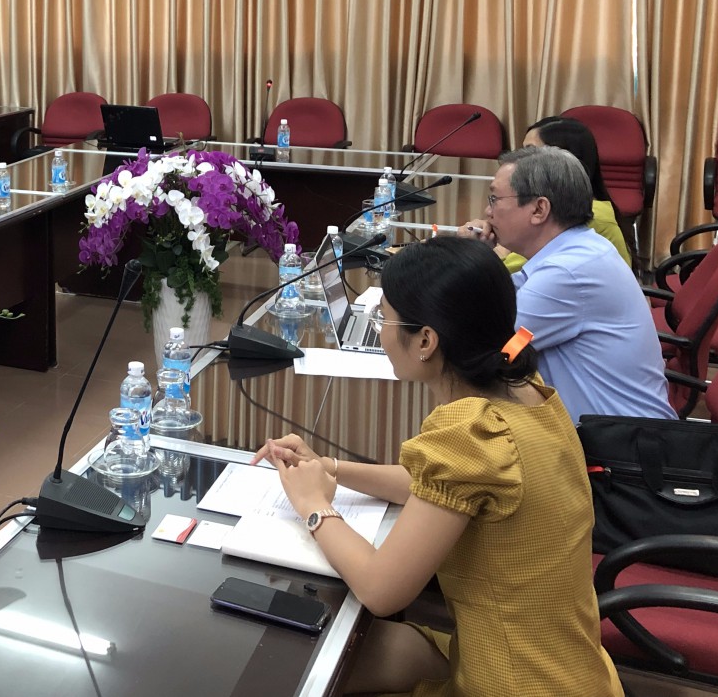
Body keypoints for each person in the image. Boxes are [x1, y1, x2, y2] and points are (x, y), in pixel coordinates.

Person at [255, 236, 623, 697]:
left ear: (426, 340)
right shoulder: (525, 387)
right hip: (560, 664)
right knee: (317, 650)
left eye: (383, 319)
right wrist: (331, 468)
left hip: (516, 682)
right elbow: (432, 486)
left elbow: (381, 590)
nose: (380, 332)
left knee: (283, 659)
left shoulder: (471, 430)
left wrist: (313, 505)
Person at [463, 146, 674, 422]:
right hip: (608, 430)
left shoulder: (568, 272)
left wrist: (468, 258)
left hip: (618, 441)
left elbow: (491, 349)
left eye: (495, 199)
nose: (487, 212)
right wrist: (479, 258)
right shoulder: (578, 249)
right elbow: (498, 301)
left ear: (539, 209)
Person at [490, 116, 632, 271]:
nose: (520, 161)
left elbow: (504, 272)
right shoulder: (564, 207)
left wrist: (494, 249)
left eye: (530, 152)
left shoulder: (586, 215)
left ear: (562, 161)